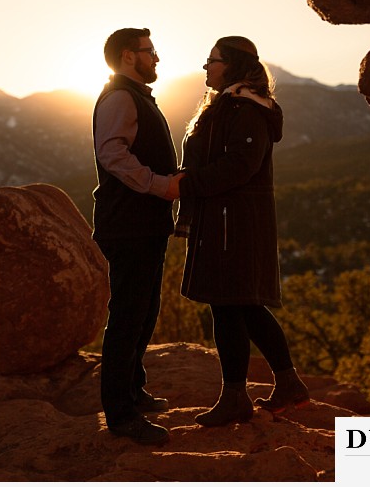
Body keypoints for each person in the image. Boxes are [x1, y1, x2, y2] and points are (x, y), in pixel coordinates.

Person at [175, 36, 309, 427]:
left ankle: (238, 397)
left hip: (234, 222)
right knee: (241, 305)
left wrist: (187, 185)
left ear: (231, 64)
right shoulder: (231, 105)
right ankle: (285, 385)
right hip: (225, 220)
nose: (206, 67)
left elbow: (240, 167)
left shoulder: (246, 110)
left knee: (232, 305)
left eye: (211, 60)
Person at [92, 27, 183, 445]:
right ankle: (121, 414)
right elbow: (113, 155)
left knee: (144, 310)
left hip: (143, 222)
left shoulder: (135, 95)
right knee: (128, 314)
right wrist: (161, 185)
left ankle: (133, 389)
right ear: (130, 56)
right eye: (150, 51)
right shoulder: (120, 97)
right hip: (127, 224)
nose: (157, 58)